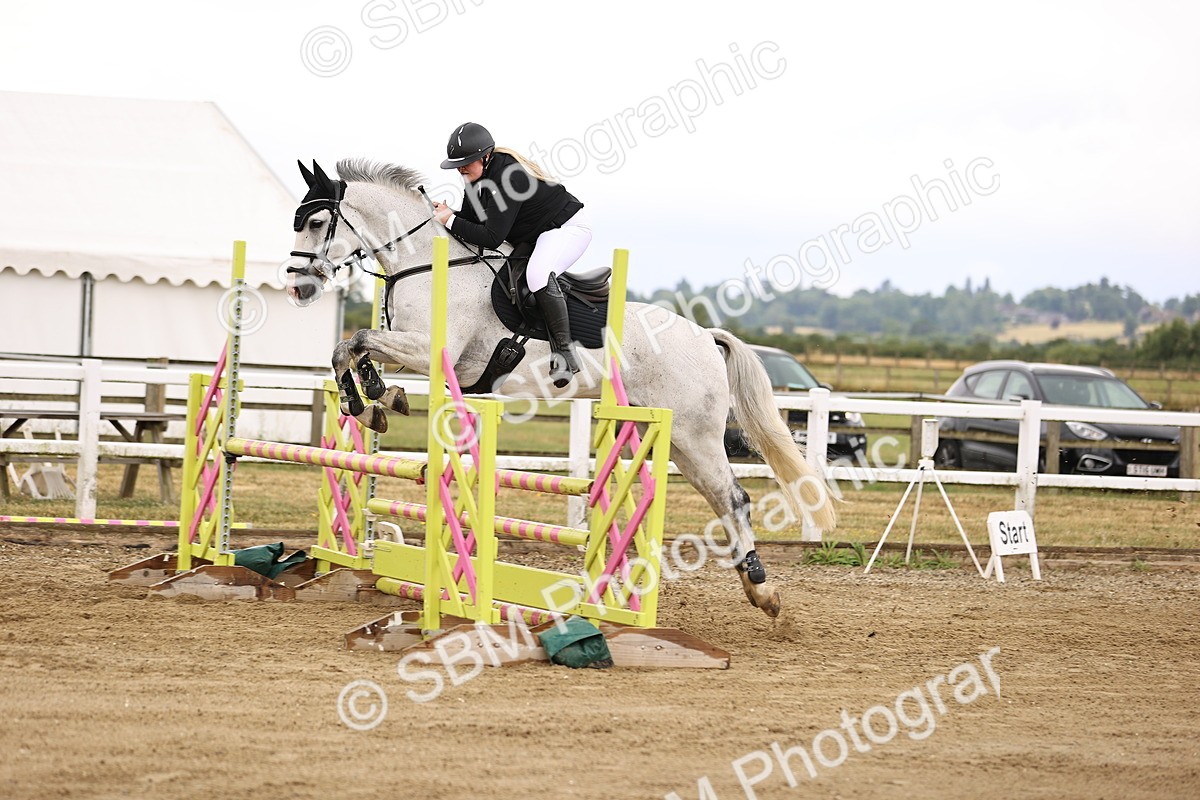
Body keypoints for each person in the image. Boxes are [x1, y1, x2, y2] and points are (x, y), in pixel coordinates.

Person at [431, 122, 592, 388]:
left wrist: (450, 221)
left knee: (538, 274)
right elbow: (472, 220)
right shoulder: (476, 178)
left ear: (485, 156)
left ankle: (565, 353)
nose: (461, 168)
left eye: (466, 162)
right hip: (536, 235)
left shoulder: (509, 176)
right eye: (458, 164)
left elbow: (492, 238)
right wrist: (449, 214)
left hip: (567, 228)